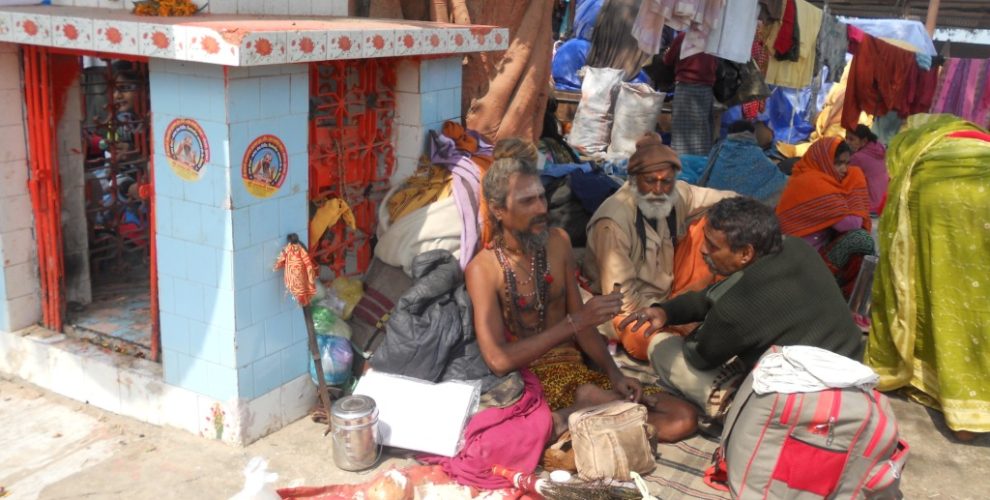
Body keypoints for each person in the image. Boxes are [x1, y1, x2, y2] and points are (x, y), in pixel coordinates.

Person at [466, 146, 699, 442]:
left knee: (683, 417)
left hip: (577, 372)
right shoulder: (482, 270)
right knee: (517, 438)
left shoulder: (558, 241)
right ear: (499, 210)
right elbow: (498, 360)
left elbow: (585, 326)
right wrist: (574, 323)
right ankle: (587, 417)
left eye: (541, 196)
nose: (541, 208)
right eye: (527, 201)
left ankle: (589, 413)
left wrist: (615, 375)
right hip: (531, 383)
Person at [621, 197, 864, 418]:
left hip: (804, 405)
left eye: (713, 246)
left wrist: (699, 328)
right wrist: (666, 311)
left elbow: (699, 357)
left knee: (661, 347)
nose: (703, 250)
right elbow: (714, 295)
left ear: (745, 253)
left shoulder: (732, 311)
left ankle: (731, 409)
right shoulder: (796, 247)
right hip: (853, 378)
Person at [866, 115, 990, 441]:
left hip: (935, 195)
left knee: (931, 285)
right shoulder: (975, 139)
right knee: (979, 297)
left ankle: (940, 390)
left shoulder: (913, 149)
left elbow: (888, 208)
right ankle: (975, 403)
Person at [583, 133, 734, 360]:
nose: (659, 190)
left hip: (669, 293)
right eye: (650, 181)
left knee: (721, 226)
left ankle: (713, 310)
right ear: (633, 181)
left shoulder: (676, 193)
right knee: (643, 335)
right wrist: (672, 315)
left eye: (666, 182)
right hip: (631, 308)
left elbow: (728, 199)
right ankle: (685, 344)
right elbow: (623, 303)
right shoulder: (614, 222)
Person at [775, 136, 874, 297]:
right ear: (823, 160)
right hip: (799, 263)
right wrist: (856, 182)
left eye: (847, 163)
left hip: (796, 255)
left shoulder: (807, 175)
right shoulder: (815, 182)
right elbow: (851, 224)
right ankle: (845, 294)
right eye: (838, 163)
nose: (844, 170)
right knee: (861, 239)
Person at [698, 120, 788, 207]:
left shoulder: (720, 148)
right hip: (737, 208)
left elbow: (706, 172)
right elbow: (777, 178)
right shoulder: (755, 153)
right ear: (752, 134)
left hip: (712, 202)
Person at [663, 31, 718, 156]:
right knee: (702, 129)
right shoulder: (712, 37)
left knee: (682, 132)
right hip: (706, 89)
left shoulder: (683, 36)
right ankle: (701, 164)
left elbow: (668, 60)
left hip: (685, 88)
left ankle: (682, 166)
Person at [846, 124, 888, 215]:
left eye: (851, 139)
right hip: (884, 203)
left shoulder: (857, 158)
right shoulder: (879, 148)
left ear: (864, 141)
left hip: (870, 206)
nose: (847, 142)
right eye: (847, 138)